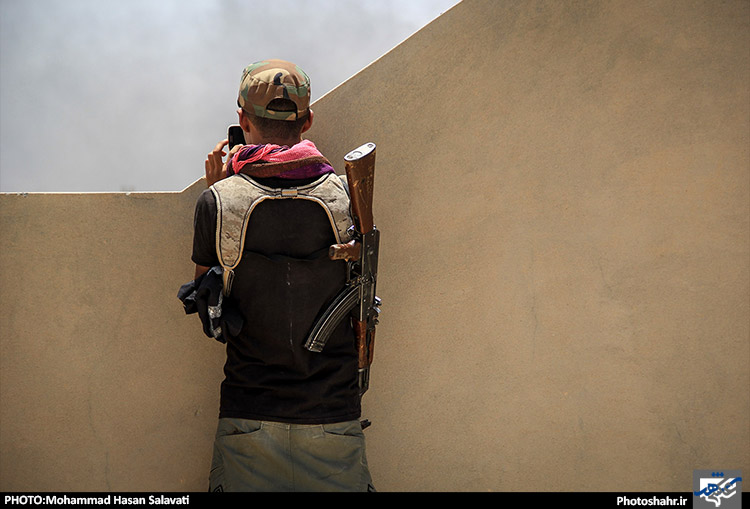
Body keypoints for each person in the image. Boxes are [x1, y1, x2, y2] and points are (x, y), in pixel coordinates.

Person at [189, 59, 374, 492]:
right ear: (307, 121)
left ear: (242, 121)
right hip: (332, 416)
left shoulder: (217, 202)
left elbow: (209, 310)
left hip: (249, 416)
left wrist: (215, 191)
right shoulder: (348, 197)